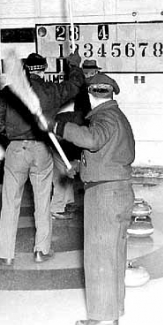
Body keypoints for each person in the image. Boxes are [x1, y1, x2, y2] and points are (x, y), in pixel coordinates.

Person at [0, 52, 84, 266]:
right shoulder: (52, 91)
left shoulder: (10, 92)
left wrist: (9, 133)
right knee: (42, 201)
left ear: (26, 68)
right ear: (45, 67)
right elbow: (75, 84)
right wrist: (73, 65)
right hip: (41, 150)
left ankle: (5, 254)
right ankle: (41, 250)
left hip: (16, 150)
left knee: (10, 202)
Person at [53, 72, 135, 325]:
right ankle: (113, 311)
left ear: (90, 95)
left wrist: (60, 127)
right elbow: (110, 151)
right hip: (118, 190)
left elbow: (92, 139)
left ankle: (101, 317)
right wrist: (82, 164)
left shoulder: (105, 116)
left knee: (99, 256)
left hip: (104, 196)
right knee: (113, 256)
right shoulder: (118, 117)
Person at [50, 59, 102, 220]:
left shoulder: (91, 92)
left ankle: (69, 201)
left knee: (69, 167)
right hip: (62, 136)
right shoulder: (86, 92)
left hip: (71, 133)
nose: (94, 74)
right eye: (92, 72)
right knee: (62, 169)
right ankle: (57, 208)